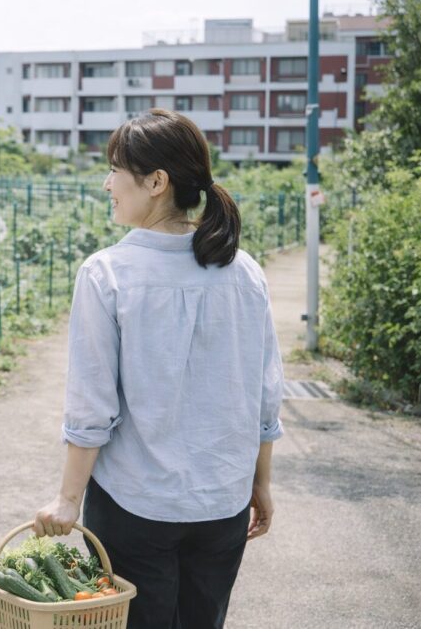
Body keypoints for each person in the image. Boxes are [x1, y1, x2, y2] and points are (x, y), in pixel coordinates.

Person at [34, 109, 284, 629]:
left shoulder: (108, 273)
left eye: (114, 171)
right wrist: (261, 483)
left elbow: (91, 405)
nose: (107, 184)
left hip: (135, 506)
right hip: (223, 501)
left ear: (155, 182)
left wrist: (67, 499)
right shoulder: (245, 271)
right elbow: (265, 396)